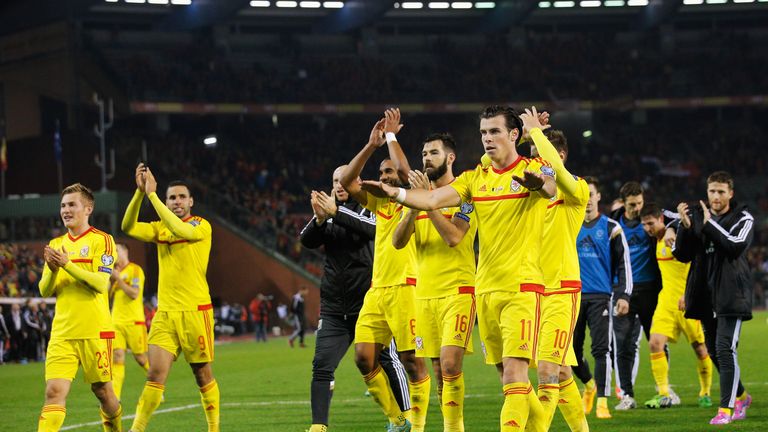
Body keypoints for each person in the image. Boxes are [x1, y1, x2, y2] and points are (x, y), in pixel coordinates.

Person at [362, 105, 556, 431]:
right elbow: (431, 201)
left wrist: (537, 183)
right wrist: (396, 192)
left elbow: (550, 187)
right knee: (502, 377)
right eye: (483, 132)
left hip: (518, 288)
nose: (487, 138)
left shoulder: (536, 168)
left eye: (494, 131)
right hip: (484, 291)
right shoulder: (474, 180)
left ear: (514, 135)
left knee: (511, 374)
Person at [300, 165, 411, 432]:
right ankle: (319, 426)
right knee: (322, 366)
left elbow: (370, 229)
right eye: (334, 180)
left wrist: (335, 213)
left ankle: (408, 416)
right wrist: (318, 219)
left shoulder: (369, 207)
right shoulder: (327, 213)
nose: (339, 185)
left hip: (369, 302)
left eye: (343, 180)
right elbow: (306, 240)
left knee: (386, 359)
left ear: (355, 182)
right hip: (335, 308)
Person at [340, 108, 429, 432]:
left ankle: (416, 426)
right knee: (363, 357)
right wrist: (371, 146)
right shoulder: (381, 204)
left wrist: (392, 138)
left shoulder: (418, 198)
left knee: (412, 361)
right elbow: (349, 181)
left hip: (407, 287)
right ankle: (397, 420)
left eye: (390, 171)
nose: (386, 175)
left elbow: (404, 173)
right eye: (383, 171)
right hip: (377, 291)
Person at [122, 164, 219, 432]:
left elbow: (182, 231)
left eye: (180, 197)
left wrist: (153, 197)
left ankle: (214, 428)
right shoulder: (159, 228)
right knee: (154, 374)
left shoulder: (201, 225)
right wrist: (140, 193)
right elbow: (127, 226)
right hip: (165, 314)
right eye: (171, 198)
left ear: (191, 201)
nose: (176, 201)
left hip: (195, 312)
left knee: (202, 374)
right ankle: (137, 429)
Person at [391, 132, 477, 432]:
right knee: (440, 371)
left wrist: (430, 204)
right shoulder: (415, 197)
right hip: (425, 294)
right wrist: (414, 208)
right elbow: (398, 242)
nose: (427, 158)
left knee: (451, 364)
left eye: (434, 153)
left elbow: (454, 237)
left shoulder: (466, 194)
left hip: (459, 290)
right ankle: (452, 426)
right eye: (424, 153)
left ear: (450, 158)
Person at [517, 111, 591, 432]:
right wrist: (523, 135)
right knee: (560, 372)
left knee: (546, 371)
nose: (531, 163)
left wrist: (537, 135)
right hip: (531, 291)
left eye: (537, 157)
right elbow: (492, 161)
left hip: (561, 290)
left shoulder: (576, 192)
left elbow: (557, 172)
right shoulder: (533, 195)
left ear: (556, 155)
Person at [37, 183, 122, 431]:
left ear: (88, 208)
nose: (65, 210)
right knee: (53, 392)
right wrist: (52, 270)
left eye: (71, 204)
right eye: (63, 205)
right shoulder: (55, 244)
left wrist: (67, 264)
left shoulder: (103, 240)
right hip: (62, 332)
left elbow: (101, 283)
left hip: (95, 331)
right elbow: (44, 290)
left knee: (103, 392)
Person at [674, 171, 754, 425]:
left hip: (731, 295)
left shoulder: (743, 217)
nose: (716, 196)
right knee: (713, 350)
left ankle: (726, 410)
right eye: (712, 191)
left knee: (724, 348)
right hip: (704, 296)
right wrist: (686, 228)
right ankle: (741, 395)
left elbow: (734, 245)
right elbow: (682, 255)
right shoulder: (698, 217)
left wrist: (708, 225)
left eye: (721, 191)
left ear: (730, 193)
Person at [610, 181, 678, 409]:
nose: (637, 208)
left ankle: (665, 390)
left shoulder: (652, 218)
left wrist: (671, 228)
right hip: (624, 291)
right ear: (623, 203)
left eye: (639, 203)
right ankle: (627, 395)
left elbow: (680, 217)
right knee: (623, 345)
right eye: (632, 205)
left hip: (651, 290)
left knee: (657, 341)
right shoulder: (615, 222)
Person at [639, 203, 713, 409]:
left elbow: (695, 259)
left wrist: (689, 293)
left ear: (661, 219)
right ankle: (663, 393)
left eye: (650, 224)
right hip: (666, 301)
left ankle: (705, 392)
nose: (647, 229)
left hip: (686, 300)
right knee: (654, 343)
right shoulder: (658, 238)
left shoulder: (677, 236)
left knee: (700, 349)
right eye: (644, 225)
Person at [573, 176, 632, 420]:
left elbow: (623, 264)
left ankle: (602, 402)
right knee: (570, 352)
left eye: (591, 194)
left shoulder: (611, 228)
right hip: (572, 296)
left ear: (598, 197)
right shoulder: (570, 224)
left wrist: (623, 295)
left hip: (600, 297)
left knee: (601, 350)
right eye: (583, 195)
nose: (587, 200)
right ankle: (589, 384)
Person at [109, 242, 149, 401]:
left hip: (134, 322)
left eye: (117, 250)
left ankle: (156, 389)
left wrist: (118, 279)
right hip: (116, 322)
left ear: (125, 251)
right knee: (117, 357)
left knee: (141, 359)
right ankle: (115, 397)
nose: (115, 253)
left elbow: (134, 294)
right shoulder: (113, 275)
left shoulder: (135, 270)